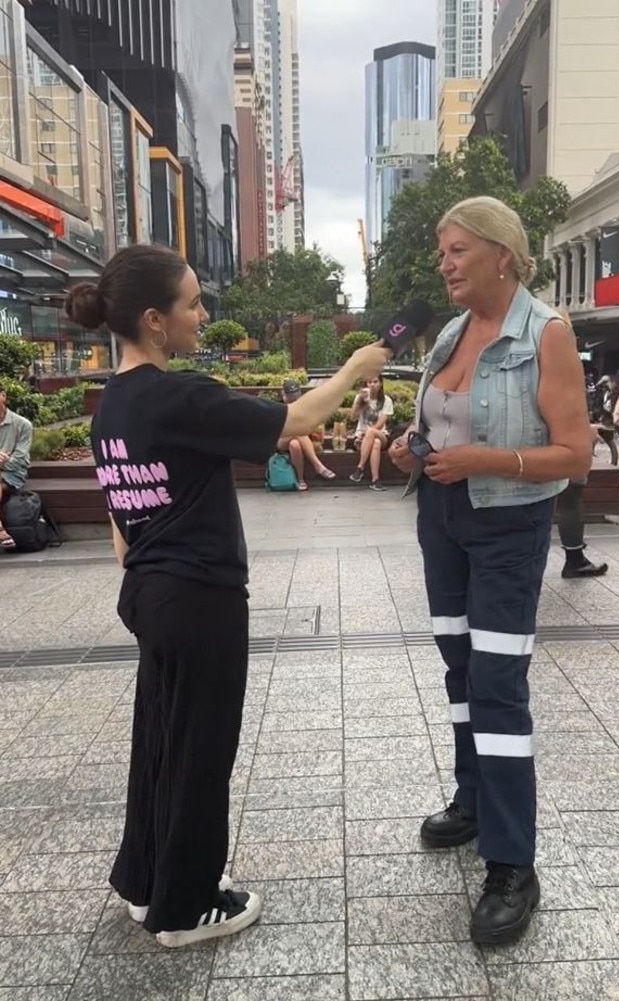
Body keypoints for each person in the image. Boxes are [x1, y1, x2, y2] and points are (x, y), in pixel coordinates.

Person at [65, 244, 389, 949]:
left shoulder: (110, 406)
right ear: (153, 320)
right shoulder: (182, 396)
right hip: (201, 598)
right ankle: (185, 908)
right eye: (191, 303)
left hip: (150, 594)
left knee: (159, 739)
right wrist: (358, 368)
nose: (202, 314)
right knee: (202, 751)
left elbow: (122, 530)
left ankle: (144, 879)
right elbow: (297, 422)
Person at [389, 196, 591, 946]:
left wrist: (487, 459)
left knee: (498, 684)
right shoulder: (451, 331)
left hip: (507, 522)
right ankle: (473, 798)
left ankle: (512, 862)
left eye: (457, 250)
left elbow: (573, 453)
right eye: (442, 250)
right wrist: (421, 443)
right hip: (442, 519)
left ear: (503, 254)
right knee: (459, 667)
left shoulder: (548, 334)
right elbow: (439, 417)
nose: (443, 262)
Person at [552, 312, 608, 579]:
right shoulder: (560, 353)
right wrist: (585, 429)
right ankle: (574, 559)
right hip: (563, 439)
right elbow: (569, 400)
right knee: (571, 497)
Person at [277, 378, 335, 490]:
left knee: (295, 445)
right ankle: (317, 465)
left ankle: (300, 479)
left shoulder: (303, 407)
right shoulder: (279, 407)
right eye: (290, 397)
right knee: (299, 433)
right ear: (284, 395)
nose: (293, 399)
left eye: (295, 396)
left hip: (298, 440)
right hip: (280, 441)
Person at [0, 382, 33, 551]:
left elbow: (20, 459)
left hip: (12, 475)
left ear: (3, 396)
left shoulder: (22, 425)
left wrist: (5, 462)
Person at [349, 375, 394, 491]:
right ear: (366, 384)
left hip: (381, 434)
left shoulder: (386, 400)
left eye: (375, 382)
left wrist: (367, 433)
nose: (372, 385)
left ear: (380, 384)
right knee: (376, 443)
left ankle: (360, 468)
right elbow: (352, 418)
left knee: (374, 435)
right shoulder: (360, 398)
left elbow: (381, 423)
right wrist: (359, 402)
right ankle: (375, 480)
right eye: (369, 382)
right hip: (362, 439)